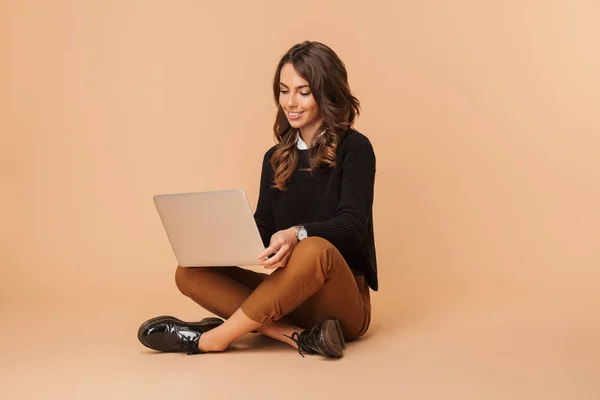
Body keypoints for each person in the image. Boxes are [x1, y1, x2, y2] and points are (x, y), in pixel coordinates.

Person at [137, 41, 378, 359]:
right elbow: (264, 227)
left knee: (313, 248)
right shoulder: (276, 158)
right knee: (188, 271)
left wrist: (297, 233)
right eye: (284, 90)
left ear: (326, 92)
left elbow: (354, 226)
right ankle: (300, 338)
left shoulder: (355, 147)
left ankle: (214, 337)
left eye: (303, 92)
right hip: (287, 298)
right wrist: (220, 238)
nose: (290, 102)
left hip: (340, 304)